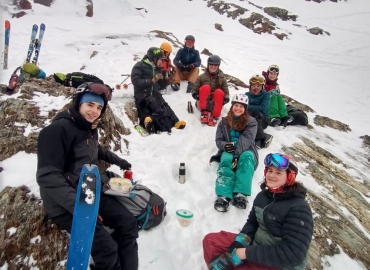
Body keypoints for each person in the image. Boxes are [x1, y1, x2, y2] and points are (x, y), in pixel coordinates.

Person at [36, 82, 139, 270]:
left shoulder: (88, 127)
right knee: (107, 249)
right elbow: (48, 177)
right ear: (78, 103)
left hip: (89, 190)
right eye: (90, 104)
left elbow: (94, 149)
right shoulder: (56, 131)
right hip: (65, 203)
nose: (95, 111)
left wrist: (119, 161)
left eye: (99, 107)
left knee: (128, 224)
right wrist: (82, 209)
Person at [203, 153, 314, 270]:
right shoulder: (263, 196)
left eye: (278, 172)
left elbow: (294, 254)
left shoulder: (299, 208)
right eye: (270, 170)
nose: (271, 175)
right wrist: (238, 244)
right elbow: (252, 224)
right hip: (256, 245)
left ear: (290, 177)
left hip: (279, 264)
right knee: (211, 241)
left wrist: (246, 253)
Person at [210, 93, 259, 212]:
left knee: (246, 159)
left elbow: (246, 139)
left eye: (241, 106)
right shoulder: (223, 122)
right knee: (226, 159)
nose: (238, 108)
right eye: (236, 105)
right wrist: (225, 146)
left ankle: (241, 194)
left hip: (246, 149)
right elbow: (218, 140)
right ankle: (223, 195)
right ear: (232, 106)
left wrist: (237, 155)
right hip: (229, 149)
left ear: (245, 109)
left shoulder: (251, 122)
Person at [131, 47, 186, 134]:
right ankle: (147, 122)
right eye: (160, 59)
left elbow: (161, 86)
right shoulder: (139, 66)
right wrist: (151, 81)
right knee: (149, 105)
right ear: (154, 58)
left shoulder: (158, 68)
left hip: (155, 93)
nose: (161, 61)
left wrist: (169, 80)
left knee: (164, 105)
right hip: (142, 93)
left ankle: (175, 122)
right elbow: (135, 81)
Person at [191, 55, 230, 127]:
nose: (213, 66)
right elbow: (194, 89)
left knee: (219, 91)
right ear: (208, 64)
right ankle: (204, 113)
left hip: (215, 105)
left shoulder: (222, 78)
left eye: (215, 65)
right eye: (211, 64)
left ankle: (215, 116)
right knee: (205, 87)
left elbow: (226, 91)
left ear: (218, 66)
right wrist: (195, 94)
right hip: (202, 103)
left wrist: (226, 98)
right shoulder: (201, 77)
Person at [245, 74, 273, 149]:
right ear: (250, 86)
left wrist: (247, 107)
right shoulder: (246, 95)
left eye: (258, 86)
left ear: (262, 87)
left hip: (263, 120)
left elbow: (263, 108)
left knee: (255, 112)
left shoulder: (266, 95)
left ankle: (259, 138)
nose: (256, 88)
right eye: (254, 85)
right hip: (249, 119)